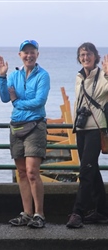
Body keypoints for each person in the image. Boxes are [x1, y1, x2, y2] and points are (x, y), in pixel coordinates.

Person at [0, 40, 50, 228]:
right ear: (20, 55)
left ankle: (39, 214)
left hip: (36, 125)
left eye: (32, 52)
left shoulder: (43, 75)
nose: (29, 55)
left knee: (32, 172)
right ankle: (26, 213)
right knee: (21, 172)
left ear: (37, 54)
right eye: (25, 52)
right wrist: (2, 77)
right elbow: (4, 97)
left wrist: (17, 101)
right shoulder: (14, 75)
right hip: (17, 125)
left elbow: (39, 101)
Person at [66, 43, 108, 228]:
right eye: (82, 54)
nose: (85, 57)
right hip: (81, 129)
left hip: (96, 129)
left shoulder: (102, 75)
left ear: (95, 56)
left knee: (85, 171)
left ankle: (78, 213)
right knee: (92, 170)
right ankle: (102, 211)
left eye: (88, 54)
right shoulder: (78, 77)